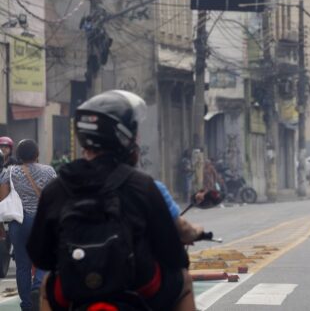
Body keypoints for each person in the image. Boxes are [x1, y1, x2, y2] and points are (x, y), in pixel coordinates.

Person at [27, 90, 194, 311]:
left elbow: (41, 256)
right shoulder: (142, 185)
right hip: (137, 288)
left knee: (48, 284)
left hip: (75, 292)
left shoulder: (57, 188)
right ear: (124, 136)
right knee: (184, 282)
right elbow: (174, 255)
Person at [0, 139, 56, 310]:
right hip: (41, 222)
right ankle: (38, 286)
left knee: (22, 265)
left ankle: (26, 304)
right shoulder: (49, 171)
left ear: (17, 154)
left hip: (18, 222)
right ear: (37, 154)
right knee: (44, 260)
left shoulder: (9, 172)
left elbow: (2, 198)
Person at [127, 145, 205, 245]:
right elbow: (183, 229)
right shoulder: (151, 187)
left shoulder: (102, 188)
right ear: (135, 156)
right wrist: (198, 230)